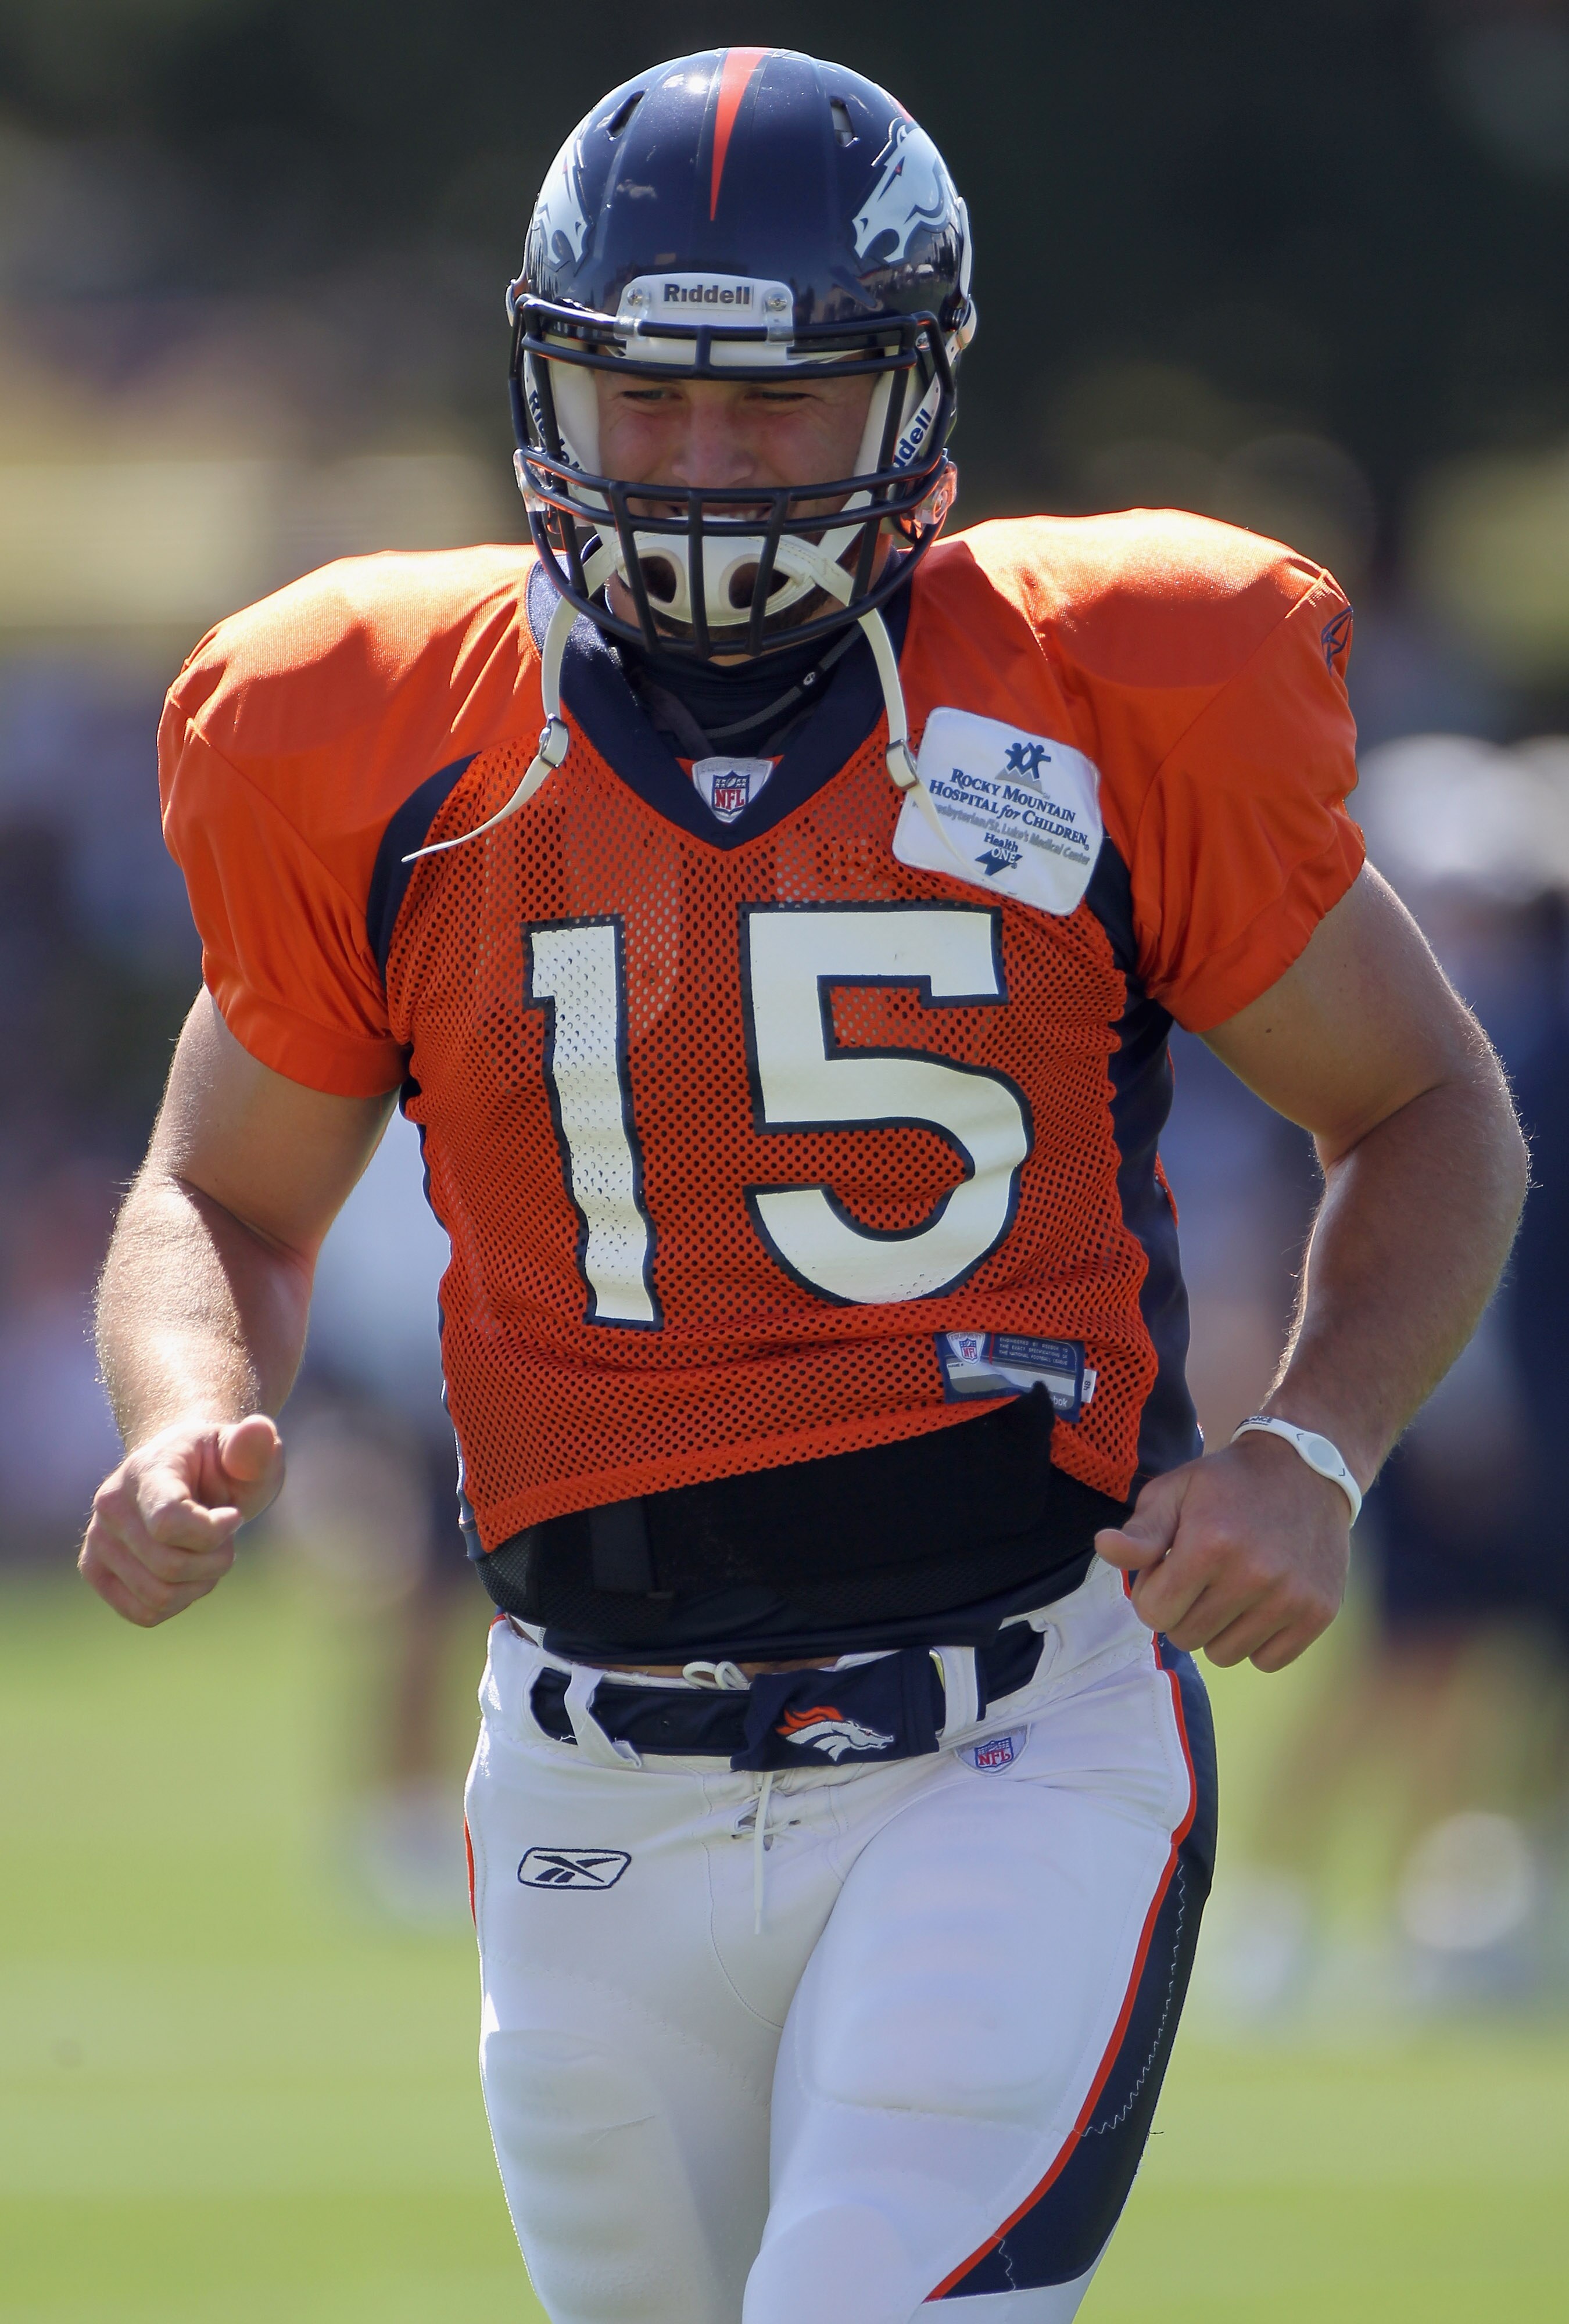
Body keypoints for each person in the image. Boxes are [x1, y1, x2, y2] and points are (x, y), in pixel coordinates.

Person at [81, 48, 1524, 2324]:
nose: (708, 464)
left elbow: (1430, 1109)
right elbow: (219, 1193)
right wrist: (178, 1404)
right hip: (580, 1780)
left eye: (779, 406)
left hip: (1010, 1734)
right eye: (649, 399)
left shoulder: (1106, 686)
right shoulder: (379, 724)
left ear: (916, 398)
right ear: (551, 379)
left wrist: (1316, 1449)